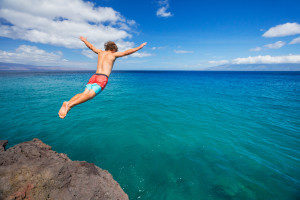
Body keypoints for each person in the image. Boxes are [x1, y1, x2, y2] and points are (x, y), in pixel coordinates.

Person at [58, 36, 147, 118]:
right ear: (113, 49)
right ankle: (69, 105)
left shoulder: (100, 52)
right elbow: (126, 52)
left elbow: (91, 47)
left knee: (84, 94)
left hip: (94, 76)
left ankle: (68, 103)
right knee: (90, 96)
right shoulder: (113, 54)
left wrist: (85, 40)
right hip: (102, 78)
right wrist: (140, 47)